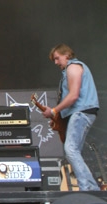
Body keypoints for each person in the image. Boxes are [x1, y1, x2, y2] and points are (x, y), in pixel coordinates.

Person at [42, 44, 100, 191]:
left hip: (81, 112)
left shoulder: (73, 67)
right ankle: (90, 187)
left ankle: (88, 188)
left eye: (57, 58)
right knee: (74, 152)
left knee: (71, 149)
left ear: (67, 55)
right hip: (80, 112)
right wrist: (57, 118)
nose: (56, 63)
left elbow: (73, 96)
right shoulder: (69, 70)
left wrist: (54, 111)